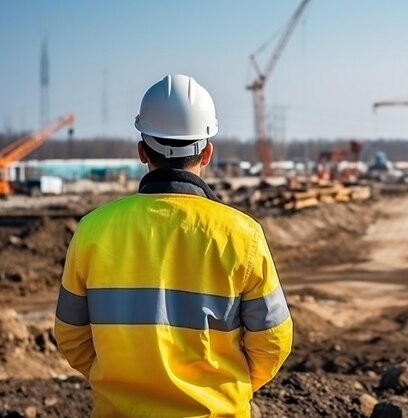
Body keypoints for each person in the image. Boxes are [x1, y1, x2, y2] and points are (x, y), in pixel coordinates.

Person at [54, 74, 293, 417]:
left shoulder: (92, 230)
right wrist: (227, 386)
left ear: (141, 151)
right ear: (207, 152)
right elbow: (272, 342)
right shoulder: (243, 235)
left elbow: (71, 336)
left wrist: (119, 384)